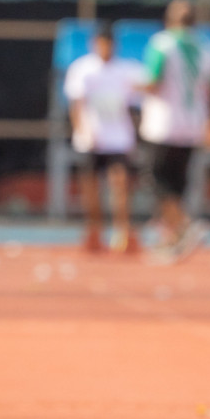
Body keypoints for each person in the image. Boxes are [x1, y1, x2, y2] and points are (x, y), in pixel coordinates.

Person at [139, 0, 210, 260]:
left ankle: (186, 226)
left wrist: (130, 86)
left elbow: (153, 82)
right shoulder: (209, 49)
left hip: (163, 124)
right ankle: (173, 239)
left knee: (156, 181)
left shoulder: (162, 44)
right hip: (193, 125)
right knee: (177, 184)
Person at [63, 23, 145, 253]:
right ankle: (94, 231)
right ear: (94, 44)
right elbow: (76, 105)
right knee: (90, 189)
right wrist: (84, 130)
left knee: (120, 186)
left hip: (118, 140)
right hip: (91, 140)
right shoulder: (82, 69)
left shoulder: (128, 70)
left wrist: (136, 134)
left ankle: (122, 232)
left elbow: (139, 102)